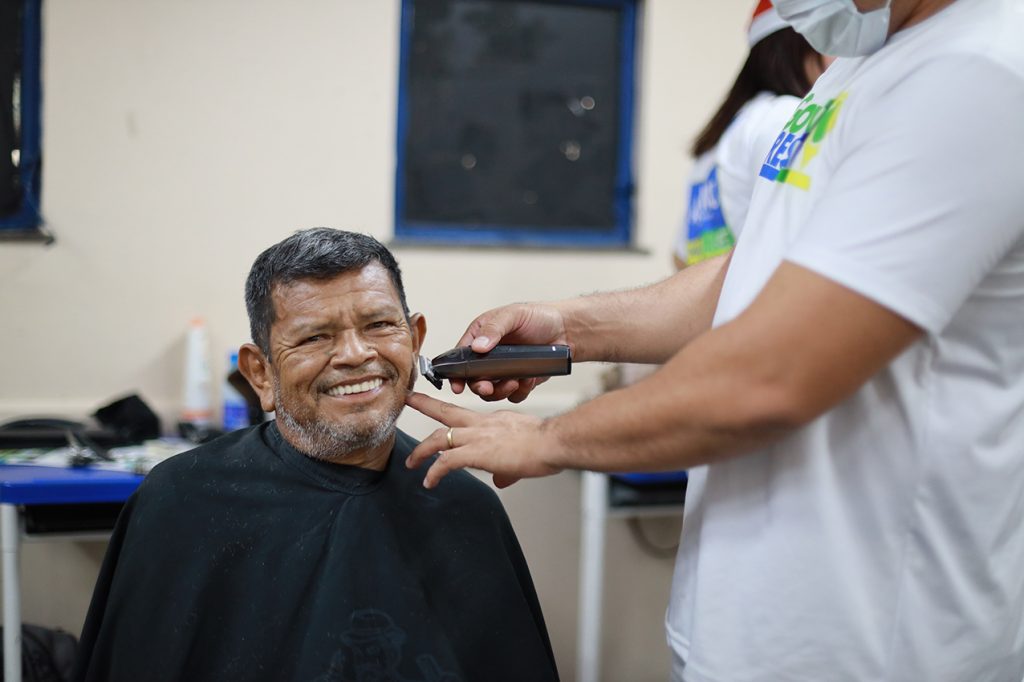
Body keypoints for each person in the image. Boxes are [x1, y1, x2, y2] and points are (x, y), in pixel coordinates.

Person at [404, 1, 1024, 679]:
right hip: (741, 629)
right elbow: (756, 268)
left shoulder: (976, 72)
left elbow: (771, 375)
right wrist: (569, 326)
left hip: (869, 647)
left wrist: (546, 440)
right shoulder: (857, 69)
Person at [73, 228, 559, 682]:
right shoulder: (181, 502)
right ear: (260, 373)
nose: (355, 354)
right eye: (314, 337)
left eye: (379, 325)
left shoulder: (463, 506)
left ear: (414, 340)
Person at [675, 0, 828, 270]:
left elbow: (680, 257)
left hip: (722, 296)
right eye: (831, 37)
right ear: (800, 44)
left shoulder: (724, 132)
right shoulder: (789, 118)